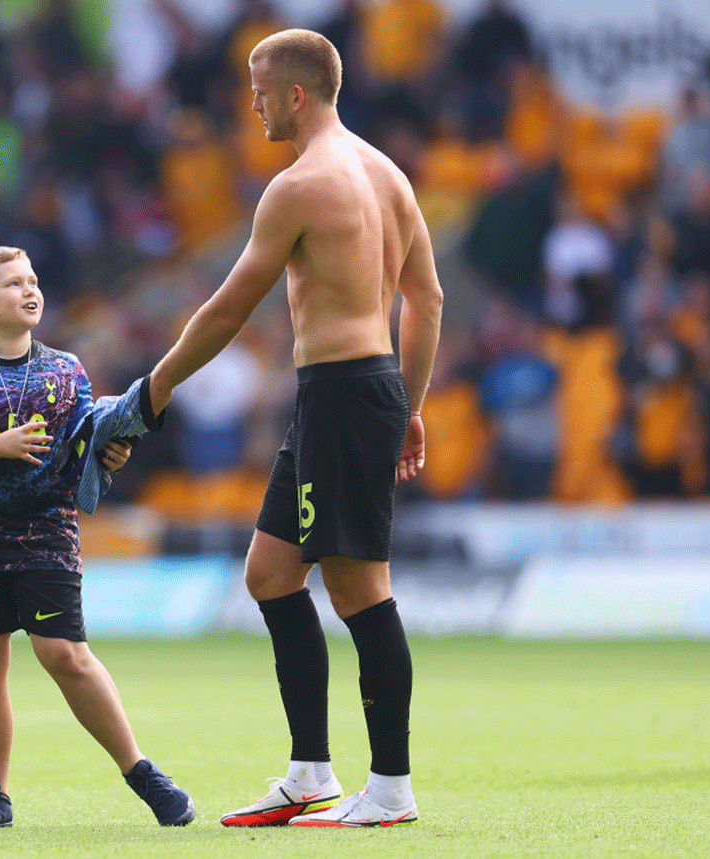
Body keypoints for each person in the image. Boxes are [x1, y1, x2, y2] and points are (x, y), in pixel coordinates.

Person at [147, 29, 442, 828]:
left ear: (296, 95)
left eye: (260, 89)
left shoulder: (300, 184)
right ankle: (310, 770)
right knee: (271, 572)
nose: (253, 103)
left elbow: (229, 307)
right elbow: (428, 299)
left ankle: (390, 788)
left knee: (358, 587)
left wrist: (157, 385)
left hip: (345, 395)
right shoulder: (387, 174)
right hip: (350, 394)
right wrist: (409, 403)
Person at [0, 246, 194, 830]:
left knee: (63, 653)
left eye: (34, 280)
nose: (31, 290)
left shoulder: (65, 369)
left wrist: (113, 451)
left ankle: (142, 773)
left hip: (47, 530)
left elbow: (89, 445)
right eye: (14, 283)